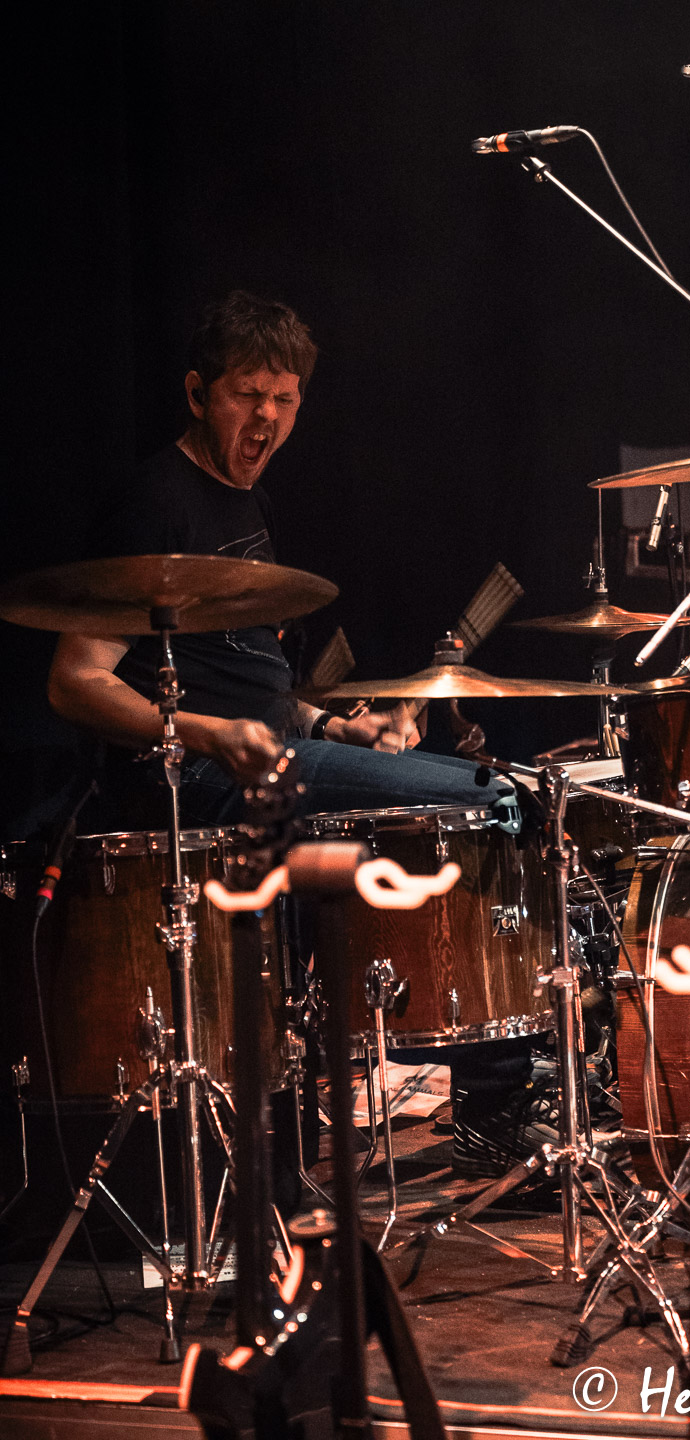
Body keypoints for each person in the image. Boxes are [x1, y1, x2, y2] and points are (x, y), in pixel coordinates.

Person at [46, 291, 551, 1176]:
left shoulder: (253, 504)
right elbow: (75, 680)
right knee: (488, 801)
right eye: (247, 395)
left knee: (504, 786)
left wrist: (337, 727)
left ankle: (481, 1072)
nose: (266, 418)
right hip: (192, 779)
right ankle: (497, 1102)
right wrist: (209, 735)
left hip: (265, 756)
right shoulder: (156, 501)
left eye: (284, 399)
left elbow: (255, 680)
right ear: (198, 393)